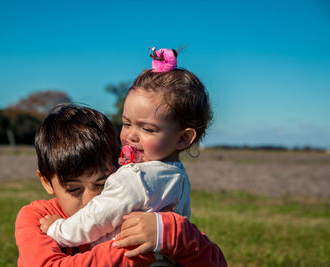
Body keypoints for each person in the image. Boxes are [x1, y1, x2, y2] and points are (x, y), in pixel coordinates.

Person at [40, 47, 218, 260]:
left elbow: (96, 217)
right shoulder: (178, 177)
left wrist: (58, 230)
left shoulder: (135, 178)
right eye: (126, 123)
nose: (131, 135)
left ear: (182, 138)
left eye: (147, 129)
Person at [15, 104, 227, 266]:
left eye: (102, 184)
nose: (91, 200)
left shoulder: (139, 208)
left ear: (120, 169)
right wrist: (143, 248)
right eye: (73, 189)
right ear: (46, 181)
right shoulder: (37, 218)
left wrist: (175, 235)